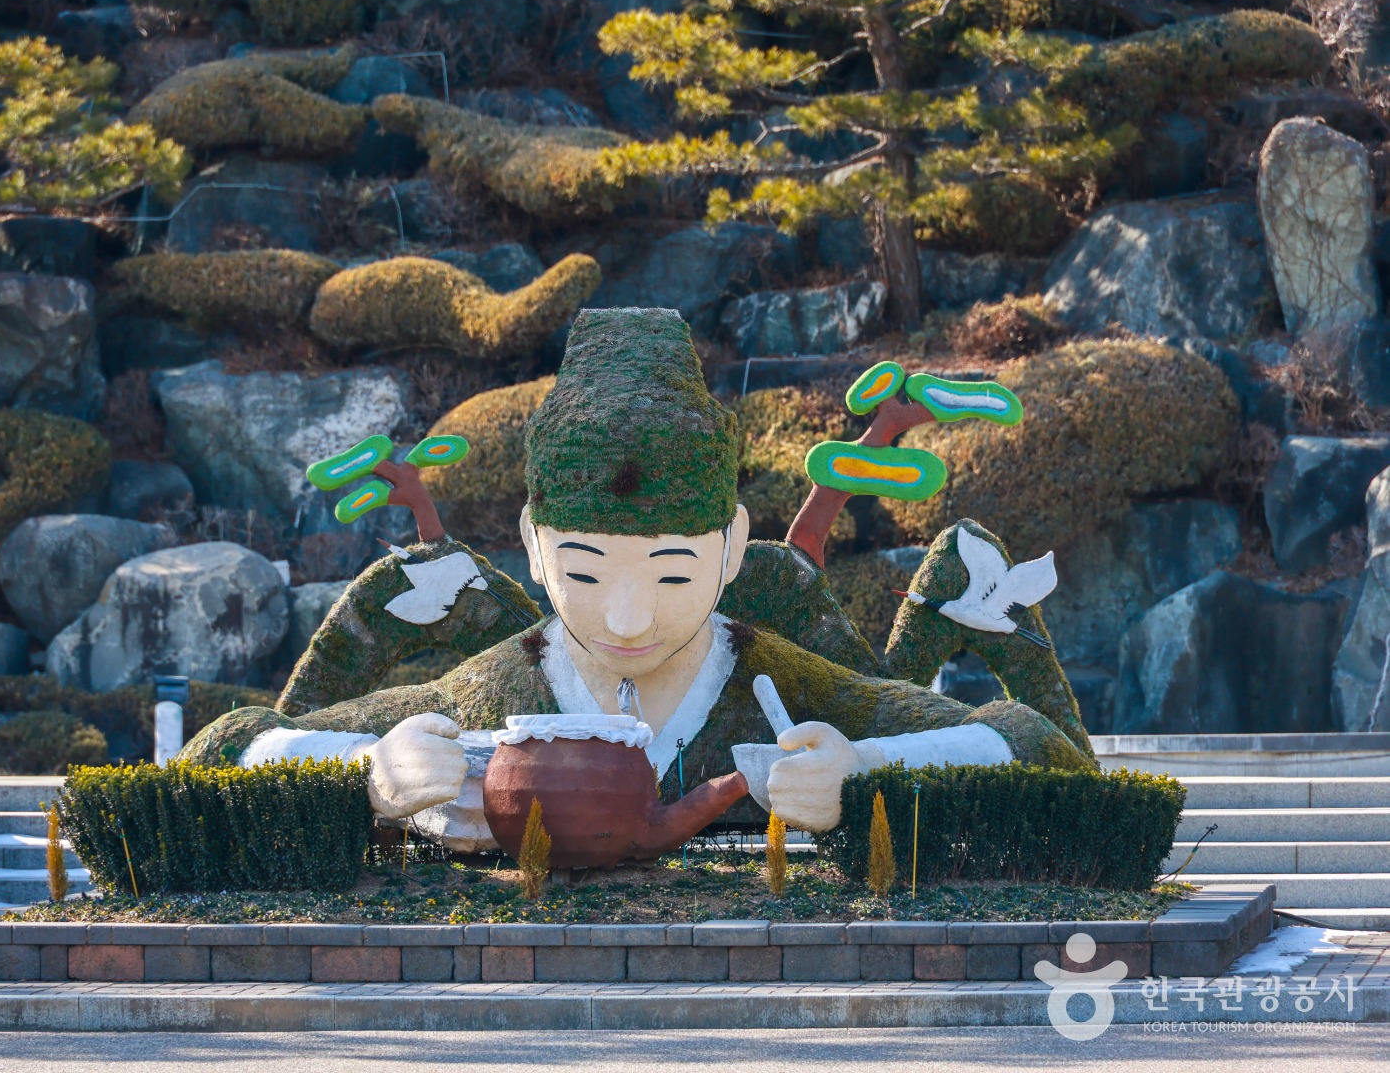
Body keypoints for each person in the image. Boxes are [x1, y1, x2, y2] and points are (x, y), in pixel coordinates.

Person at [178, 307, 1093, 839]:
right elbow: (222, 751)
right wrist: (368, 773)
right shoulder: (494, 693)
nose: (626, 618)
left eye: (671, 574)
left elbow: (1036, 743)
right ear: (534, 546)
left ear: (731, 549)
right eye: (584, 572)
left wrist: (869, 770)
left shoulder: (786, 686)